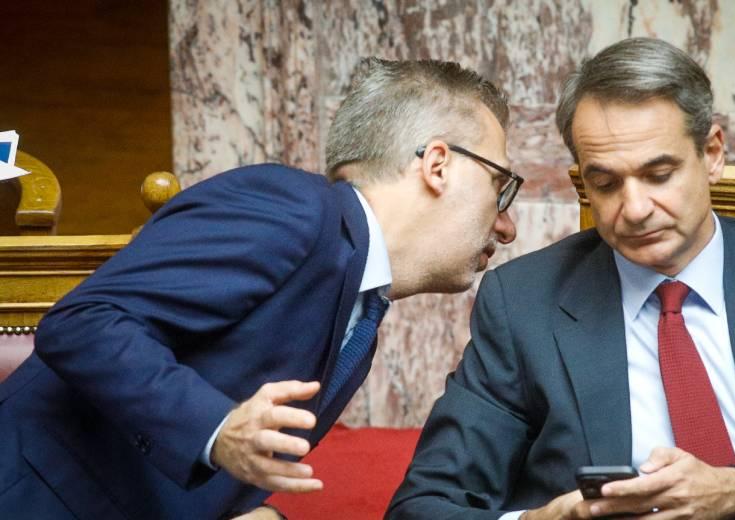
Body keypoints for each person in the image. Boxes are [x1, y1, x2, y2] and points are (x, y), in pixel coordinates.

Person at [387, 38, 735, 519]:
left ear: (712, 154)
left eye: (659, 175)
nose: (635, 209)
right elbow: (424, 506)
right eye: (606, 183)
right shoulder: (524, 303)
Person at [0, 58, 520, 519]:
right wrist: (218, 428)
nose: (506, 227)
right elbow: (82, 321)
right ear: (437, 165)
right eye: (500, 188)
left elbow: (218, 465)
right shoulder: (292, 207)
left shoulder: (361, 320)